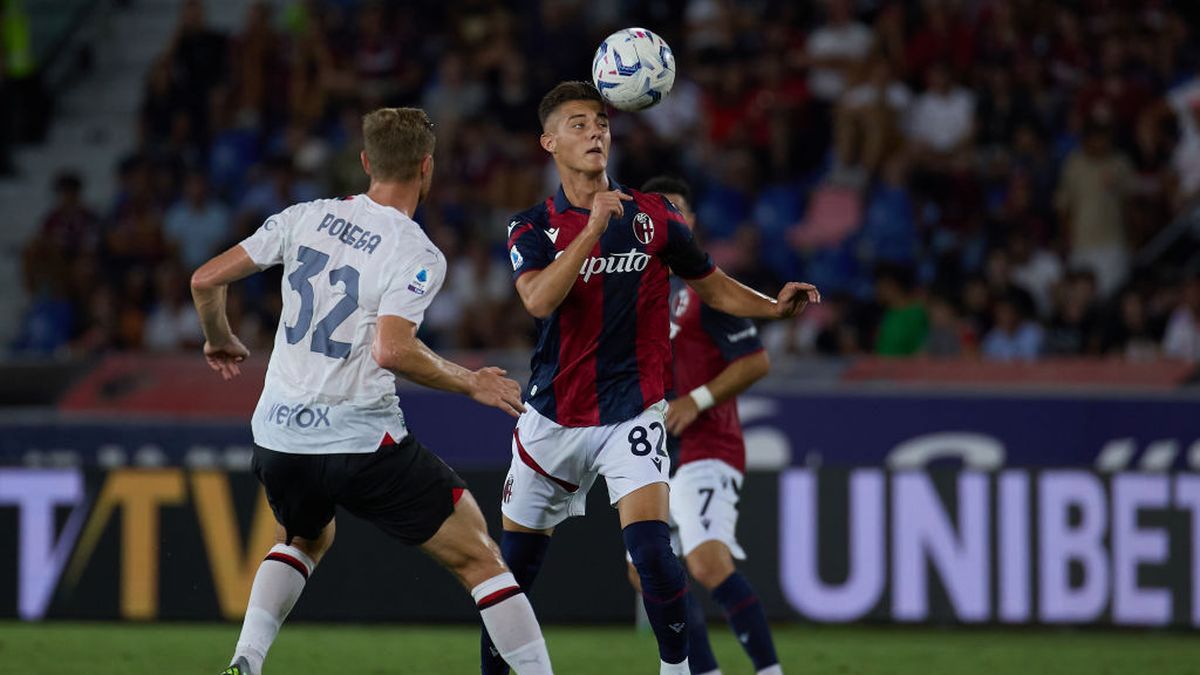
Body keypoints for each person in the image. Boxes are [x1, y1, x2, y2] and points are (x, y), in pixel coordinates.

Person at [191, 107, 554, 675]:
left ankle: (246, 660)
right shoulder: (416, 252)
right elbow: (392, 350)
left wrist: (219, 338)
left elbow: (205, 279)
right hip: (359, 438)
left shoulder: (304, 217)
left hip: (280, 436)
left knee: (305, 537)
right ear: (427, 169)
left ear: (365, 162)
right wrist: (471, 381)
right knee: (482, 559)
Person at [481, 81, 819, 675]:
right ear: (549, 141)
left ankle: (677, 670)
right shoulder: (530, 226)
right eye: (578, 124)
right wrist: (590, 230)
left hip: (632, 412)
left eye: (601, 123)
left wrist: (772, 306)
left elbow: (711, 283)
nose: (595, 133)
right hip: (552, 418)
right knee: (514, 576)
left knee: (654, 553)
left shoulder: (654, 217)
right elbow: (537, 300)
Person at [625, 176, 783, 675]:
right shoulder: (630, 287)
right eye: (659, 210)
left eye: (678, 210)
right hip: (649, 450)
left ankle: (769, 671)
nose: (670, 218)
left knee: (708, 563)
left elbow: (756, 361)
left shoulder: (705, 288)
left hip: (706, 446)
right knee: (644, 571)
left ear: (689, 223)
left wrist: (697, 398)